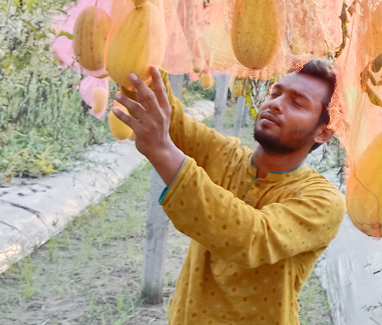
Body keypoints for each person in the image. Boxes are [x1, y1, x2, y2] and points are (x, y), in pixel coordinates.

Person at [113, 60, 345, 325]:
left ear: (324, 132)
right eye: (276, 93)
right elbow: (173, 124)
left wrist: (163, 151)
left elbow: (251, 237)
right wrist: (145, 49)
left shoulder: (323, 201)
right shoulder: (224, 155)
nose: (276, 104)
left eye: (297, 103)